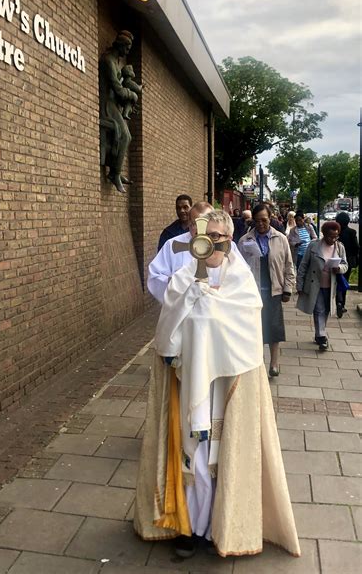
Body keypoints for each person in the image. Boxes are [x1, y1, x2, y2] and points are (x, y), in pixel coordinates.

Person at [135, 210, 300, 560]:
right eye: (206, 235)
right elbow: (167, 333)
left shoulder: (241, 283)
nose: (213, 242)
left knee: (221, 459)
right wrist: (193, 300)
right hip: (188, 385)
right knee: (192, 460)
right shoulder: (181, 279)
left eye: (220, 236)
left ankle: (217, 528)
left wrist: (210, 306)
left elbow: (247, 339)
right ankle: (188, 528)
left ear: (229, 240)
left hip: (226, 390)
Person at [238, 204, 295, 377]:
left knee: (274, 328)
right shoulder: (245, 240)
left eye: (264, 219)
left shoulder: (280, 238)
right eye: (257, 221)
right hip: (252, 291)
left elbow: (288, 265)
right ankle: (258, 362)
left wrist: (288, 288)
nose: (261, 224)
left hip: (274, 290)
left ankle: (274, 363)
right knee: (255, 328)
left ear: (271, 218)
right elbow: (238, 267)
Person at [296, 221, 348, 350]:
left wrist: (339, 268)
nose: (333, 239)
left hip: (331, 286)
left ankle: (319, 332)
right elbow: (303, 265)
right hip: (315, 284)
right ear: (324, 234)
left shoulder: (340, 247)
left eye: (336, 236)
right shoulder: (313, 246)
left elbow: (345, 265)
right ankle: (322, 337)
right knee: (319, 309)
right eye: (330, 236)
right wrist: (299, 284)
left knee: (326, 310)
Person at [149, 201, 211, 302]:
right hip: (181, 307)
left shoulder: (223, 245)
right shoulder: (172, 244)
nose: (199, 228)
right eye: (194, 224)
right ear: (189, 223)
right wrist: (176, 283)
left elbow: (240, 277)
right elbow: (155, 276)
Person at [99, 30, 137, 193]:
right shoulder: (108, 61)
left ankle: (116, 171)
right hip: (106, 104)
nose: (128, 52)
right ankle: (114, 173)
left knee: (126, 136)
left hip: (113, 104)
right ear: (120, 45)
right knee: (125, 135)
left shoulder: (116, 62)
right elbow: (118, 89)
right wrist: (133, 94)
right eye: (127, 48)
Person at [335, 211, 359, 315]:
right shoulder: (352, 232)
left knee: (336, 282)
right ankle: (342, 303)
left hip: (335, 261)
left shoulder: (336, 232)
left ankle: (337, 301)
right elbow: (356, 248)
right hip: (347, 262)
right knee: (344, 282)